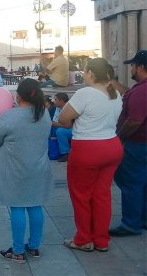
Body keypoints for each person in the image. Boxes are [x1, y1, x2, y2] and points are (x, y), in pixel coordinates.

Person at [58, 58, 123, 252]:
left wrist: (73, 122)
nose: (83, 74)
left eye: (85, 71)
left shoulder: (85, 93)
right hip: (112, 146)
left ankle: (84, 239)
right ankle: (102, 240)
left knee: (81, 195)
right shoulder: (115, 94)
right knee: (102, 195)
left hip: (88, 149)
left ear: (92, 74)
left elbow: (63, 118)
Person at [0, 78, 52, 264]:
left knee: (17, 207)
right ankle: (33, 247)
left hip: (16, 171)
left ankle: (17, 251)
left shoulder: (9, 117)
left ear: (18, 96)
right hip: (39, 169)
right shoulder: (44, 114)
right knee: (35, 205)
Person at [109, 50, 147, 237]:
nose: (131, 68)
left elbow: (135, 120)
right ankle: (143, 218)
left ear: (140, 67)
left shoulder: (141, 91)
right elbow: (129, 94)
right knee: (143, 182)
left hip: (138, 144)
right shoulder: (139, 90)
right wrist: (114, 83)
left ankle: (131, 223)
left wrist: (119, 137)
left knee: (130, 181)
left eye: (133, 65)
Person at [51, 93, 72, 162]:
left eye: (56, 100)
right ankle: (54, 150)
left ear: (62, 101)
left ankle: (65, 153)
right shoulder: (58, 108)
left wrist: (53, 123)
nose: (54, 101)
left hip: (75, 130)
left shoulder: (69, 108)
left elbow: (68, 125)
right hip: (67, 128)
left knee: (60, 131)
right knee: (53, 129)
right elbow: (55, 122)